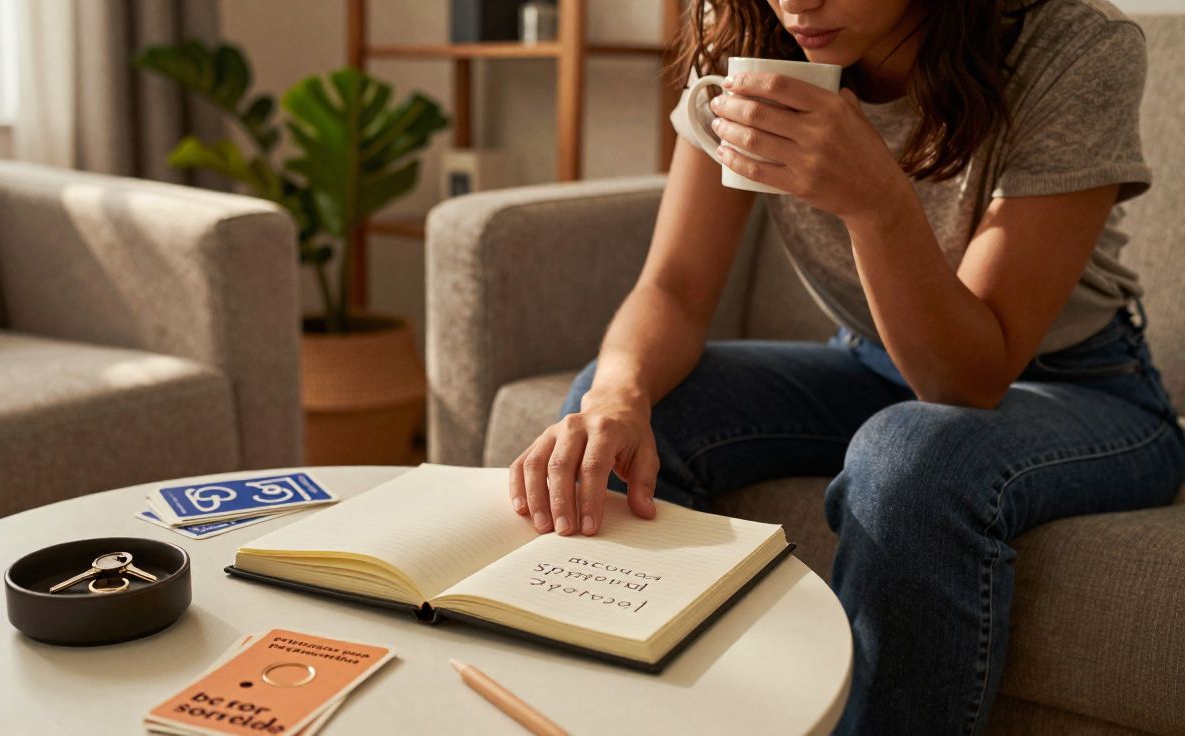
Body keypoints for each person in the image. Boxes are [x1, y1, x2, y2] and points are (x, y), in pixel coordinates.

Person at [504, 0, 1185, 732]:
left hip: (1077, 386)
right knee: (617, 415)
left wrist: (877, 202)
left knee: (912, 455)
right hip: (868, 363)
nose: (797, 2)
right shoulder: (747, 33)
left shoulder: (1072, 46)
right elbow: (673, 286)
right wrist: (616, 396)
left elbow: (967, 382)